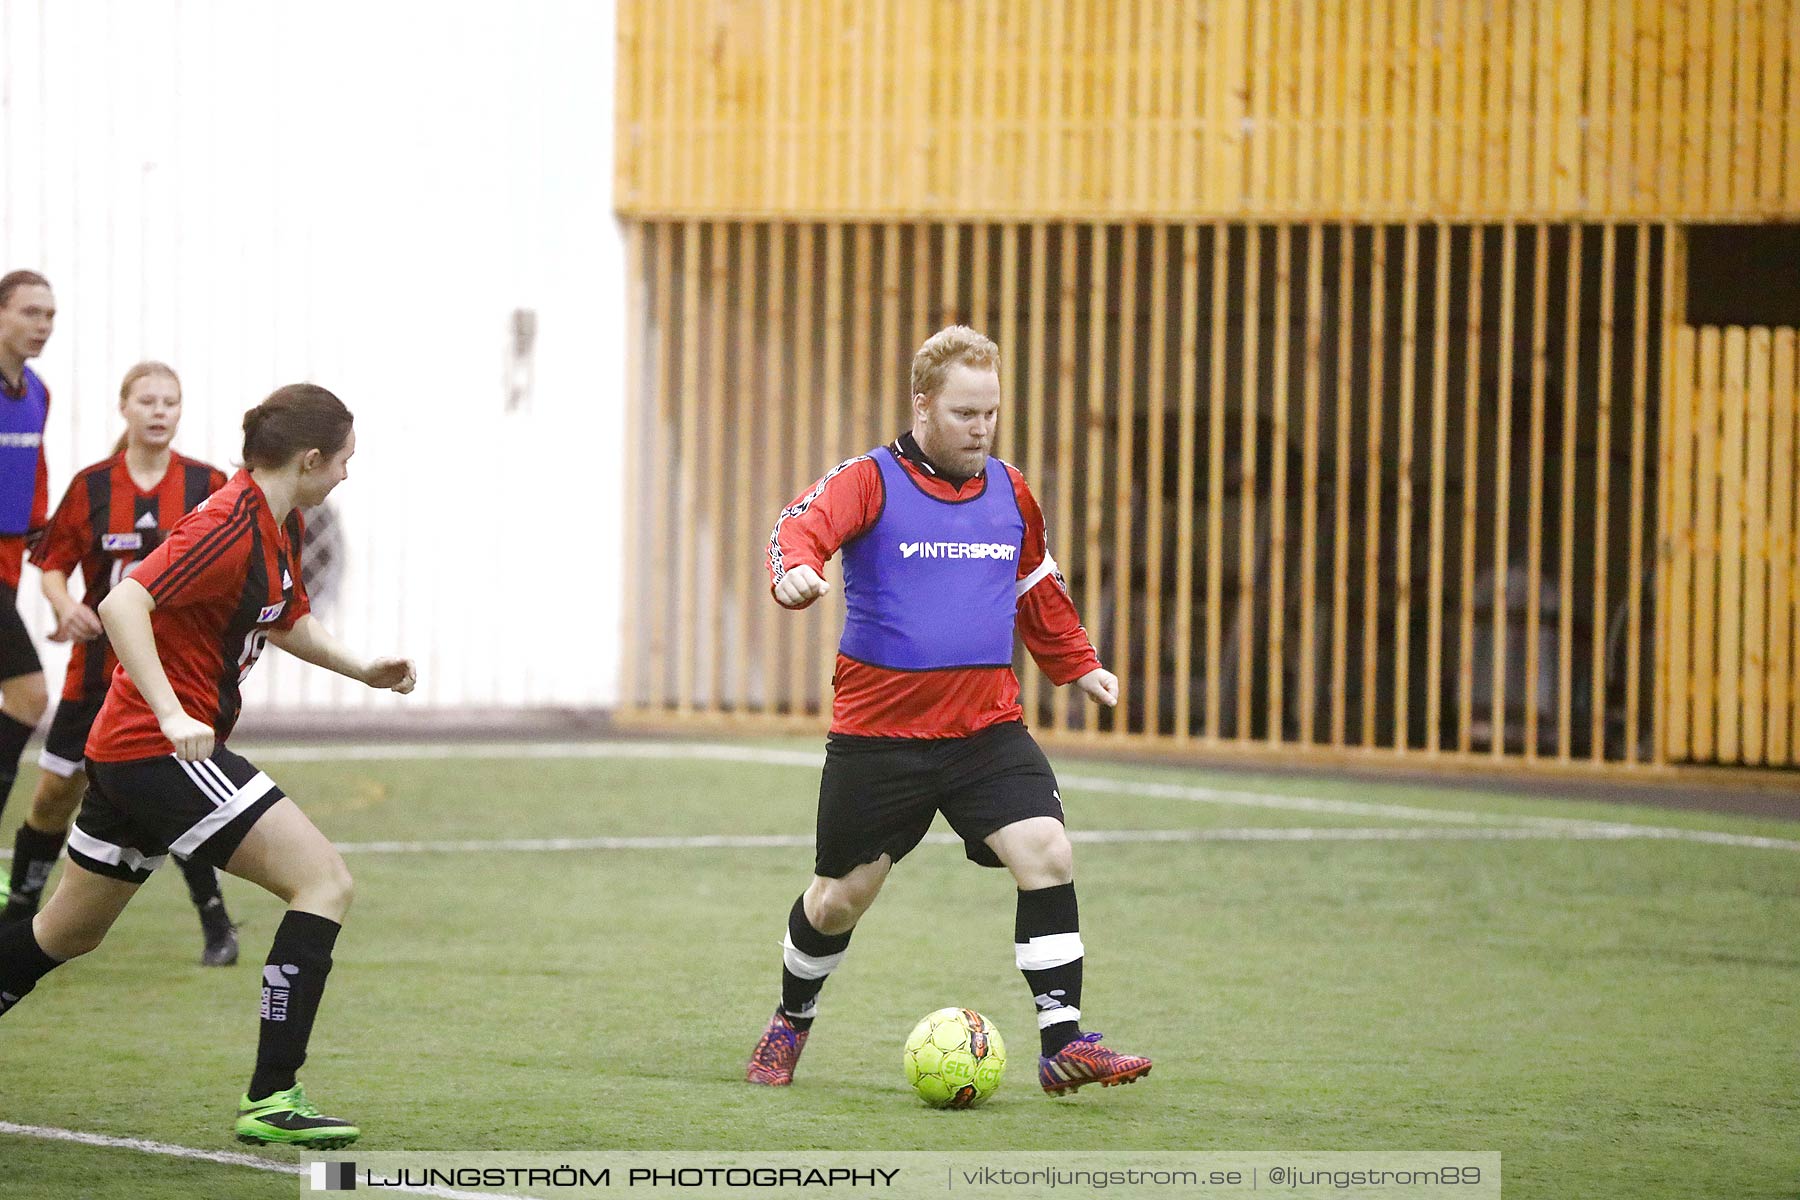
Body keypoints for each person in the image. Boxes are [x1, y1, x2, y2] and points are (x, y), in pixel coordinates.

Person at [0, 383, 416, 1149]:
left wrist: (363, 669)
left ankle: (273, 1094)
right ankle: (273, 1097)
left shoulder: (269, 520)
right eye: (346, 461)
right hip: (158, 750)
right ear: (311, 458)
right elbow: (127, 601)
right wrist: (169, 711)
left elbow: (285, 618)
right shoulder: (228, 524)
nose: (348, 476)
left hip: (126, 754)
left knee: (62, 934)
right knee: (323, 881)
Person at [746, 325, 1153, 1096]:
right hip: (880, 740)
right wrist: (797, 572)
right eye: (966, 413)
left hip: (984, 730)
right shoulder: (869, 479)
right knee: (838, 900)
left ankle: (1063, 1043)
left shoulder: (1010, 489)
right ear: (922, 404)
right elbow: (797, 529)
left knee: (1048, 852)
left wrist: (1079, 665)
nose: (981, 428)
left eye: (991, 412)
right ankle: (791, 1020)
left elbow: (1035, 582)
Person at [2, 362, 240, 968]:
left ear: (180, 412)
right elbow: (53, 561)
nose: (159, 412)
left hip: (174, 678)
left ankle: (217, 926)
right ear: (125, 408)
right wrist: (63, 605)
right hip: (93, 678)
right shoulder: (93, 486)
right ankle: (17, 919)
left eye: (170, 402)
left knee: (175, 795)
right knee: (54, 796)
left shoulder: (208, 485)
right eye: (148, 401)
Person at [0, 271, 55, 828]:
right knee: (29, 695)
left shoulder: (37, 391)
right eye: (29, 312)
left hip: (9, 563)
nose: (42, 325)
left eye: (50, 315)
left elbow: (32, 476)